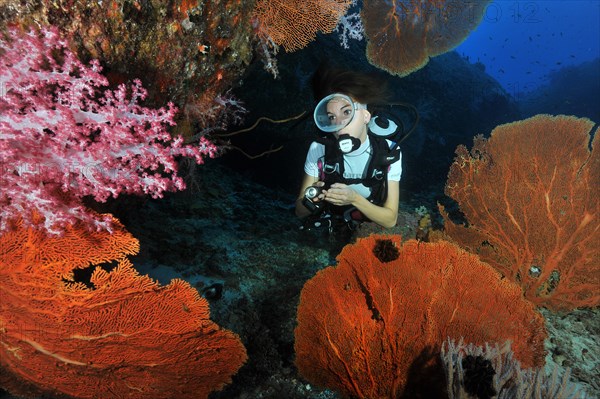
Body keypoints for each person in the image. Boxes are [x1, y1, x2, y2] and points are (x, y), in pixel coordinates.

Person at [295, 66, 403, 239]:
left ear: (366, 116)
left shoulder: (389, 150)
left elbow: (390, 219)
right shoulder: (319, 148)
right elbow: (299, 212)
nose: (339, 124)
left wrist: (354, 199)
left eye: (346, 112)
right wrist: (310, 200)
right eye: (331, 117)